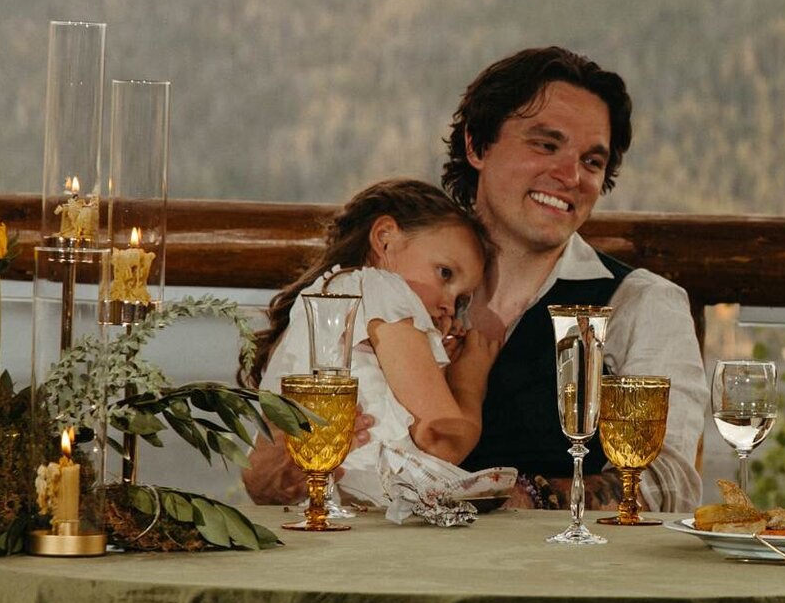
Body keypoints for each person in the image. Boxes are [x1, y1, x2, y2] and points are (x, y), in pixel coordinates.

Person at [244, 46, 705, 513]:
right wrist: (278, 475)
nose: (570, 176)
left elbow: (669, 484)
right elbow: (264, 477)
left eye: (591, 162)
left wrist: (527, 498)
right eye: (546, 145)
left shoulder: (642, 303)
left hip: (548, 560)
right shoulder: (391, 283)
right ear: (477, 146)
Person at [247, 179, 501, 508]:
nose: (449, 307)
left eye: (462, 300)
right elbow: (441, 440)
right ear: (384, 238)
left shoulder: (329, 299)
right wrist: (470, 379)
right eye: (444, 273)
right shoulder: (382, 288)